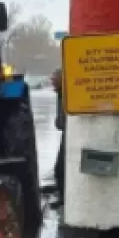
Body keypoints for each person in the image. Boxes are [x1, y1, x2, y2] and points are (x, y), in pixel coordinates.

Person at [51, 67, 66, 202]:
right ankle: (63, 197)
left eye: (54, 77)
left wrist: (60, 122)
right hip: (66, 133)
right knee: (60, 169)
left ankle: (64, 199)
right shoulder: (60, 93)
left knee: (60, 168)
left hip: (71, 134)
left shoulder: (65, 93)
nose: (51, 80)